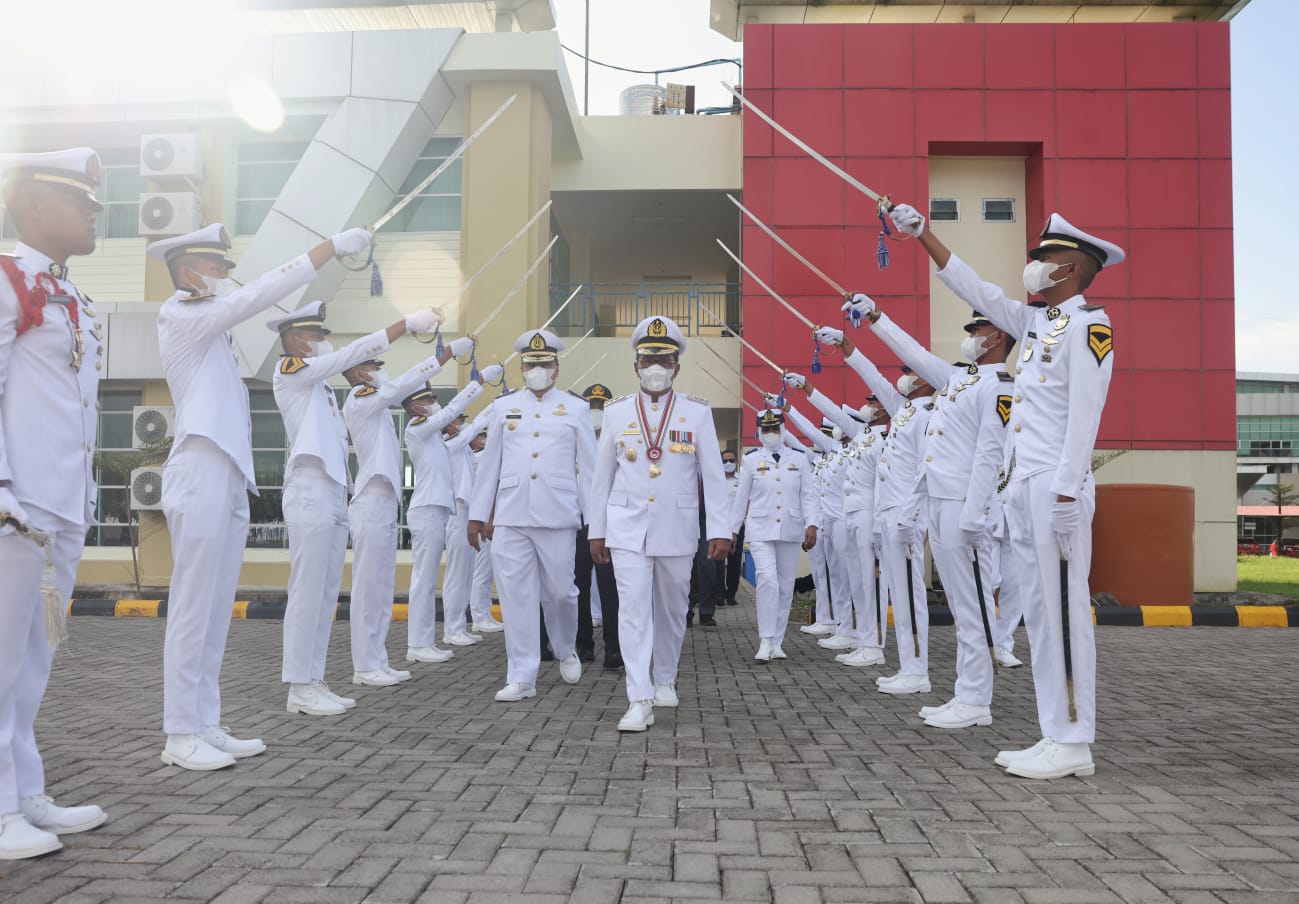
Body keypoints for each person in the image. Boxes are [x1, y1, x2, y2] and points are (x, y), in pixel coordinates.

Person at [891, 202, 1122, 779]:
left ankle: (1074, 740)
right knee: (1039, 616)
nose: (1035, 264)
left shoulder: (1089, 325)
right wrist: (924, 235)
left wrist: (1067, 491)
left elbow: (1086, 414)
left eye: (1047, 256)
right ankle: (1055, 733)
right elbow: (979, 290)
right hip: (1024, 485)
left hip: (1054, 486)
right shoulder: (1039, 323)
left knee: (1064, 613)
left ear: (1071, 269)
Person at [152, 222, 371, 770]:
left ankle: (205, 721)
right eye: (217, 267)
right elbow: (258, 295)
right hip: (200, 467)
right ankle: (180, 732)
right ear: (187, 271)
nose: (226, 276)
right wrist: (327, 249)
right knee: (193, 607)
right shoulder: (182, 315)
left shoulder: (213, 330)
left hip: (226, 473)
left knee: (215, 610)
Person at [825, 301, 1015, 729]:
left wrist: (974, 514)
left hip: (964, 507)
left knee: (975, 606)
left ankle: (976, 697)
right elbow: (910, 351)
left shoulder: (998, 386)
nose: (971, 336)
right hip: (939, 504)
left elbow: (990, 454)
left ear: (998, 335)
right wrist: (875, 321)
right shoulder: (959, 382)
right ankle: (966, 693)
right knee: (963, 608)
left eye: (978, 329)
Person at [0, 148, 108, 858]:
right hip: (18, 503)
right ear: (34, 206)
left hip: (61, 502)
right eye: (81, 204)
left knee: (34, 661)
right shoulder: (7, 281)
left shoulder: (69, 296)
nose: (95, 216)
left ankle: (24, 791)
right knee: (1, 660)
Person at [269, 300, 442, 717]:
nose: (324, 342)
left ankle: (313, 680)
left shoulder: (323, 388)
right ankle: (299, 686)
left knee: (326, 592)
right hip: (309, 489)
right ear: (296, 341)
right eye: (317, 335)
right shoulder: (290, 373)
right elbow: (350, 354)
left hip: (332, 490)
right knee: (307, 592)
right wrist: (405, 324)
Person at [587, 316, 731, 733]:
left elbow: (713, 476)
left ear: (676, 367)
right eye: (648, 359)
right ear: (635, 365)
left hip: (677, 527)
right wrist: (597, 530)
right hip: (627, 527)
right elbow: (602, 479)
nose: (655, 367)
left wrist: (720, 529)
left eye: (664, 360)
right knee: (632, 611)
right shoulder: (616, 412)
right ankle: (639, 697)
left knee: (671, 608)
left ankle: (665, 676)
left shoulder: (696, 413)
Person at [468, 329, 597, 703]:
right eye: (531, 364)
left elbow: (589, 470)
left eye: (544, 363)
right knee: (516, 597)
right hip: (511, 515)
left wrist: (595, 525)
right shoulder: (503, 406)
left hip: (558, 514)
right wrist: (478, 514)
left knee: (561, 592)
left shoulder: (576, 409)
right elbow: (489, 465)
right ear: (522, 368)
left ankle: (566, 647)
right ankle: (521, 675)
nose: (537, 370)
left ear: (556, 367)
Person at [341, 336, 473, 683]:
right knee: (369, 587)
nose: (379, 371)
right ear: (359, 374)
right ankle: (366, 666)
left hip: (385, 501)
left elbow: (398, 391)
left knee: (383, 587)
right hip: (370, 500)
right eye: (372, 366)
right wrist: (443, 357)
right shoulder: (359, 399)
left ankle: (377, 660)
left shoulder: (378, 408)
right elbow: (400, 386)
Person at [404, 366, 501, 653]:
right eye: (427, 400)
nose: (433, 404)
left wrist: (496, 406)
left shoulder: (439, 440)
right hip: (429, 510)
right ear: (415, 407)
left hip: (441, 511)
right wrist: (478, 382)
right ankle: (422, 643)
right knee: (427, 581)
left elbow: (472, 428)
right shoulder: (417, 430)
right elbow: (450, 413)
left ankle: (442, 634)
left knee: (446, 576)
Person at [729, 409, 819, 661]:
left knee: (785, 586)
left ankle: (777, 641)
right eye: (766, 429)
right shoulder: (751, 460)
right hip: (760, 529)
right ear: (759, 431)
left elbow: (808, 495)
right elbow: (741, 498)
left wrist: (812, 524)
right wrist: (732, 531)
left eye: (775, 429)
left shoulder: (799, 459)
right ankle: (765, 639)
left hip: (790, 528)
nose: (771, 433)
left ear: (783, 430)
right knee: (767, 580)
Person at [574, 383, 622, 668]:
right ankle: (584, 645)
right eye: (592, 405)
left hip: (609, 523)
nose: (596, 410)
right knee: (578, 586)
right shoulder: (572, 440)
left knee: (610, 588)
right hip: (578, 523)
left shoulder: (618, 440)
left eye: (601, 406)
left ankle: (614, 647)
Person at [720, 449, 744, 606]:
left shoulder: (742, 480)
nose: (728, 463)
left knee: (734, 562)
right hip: (719, 526)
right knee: (717, 562)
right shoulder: (716, 480)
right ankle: (719, 593)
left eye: (731, 460)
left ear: (736, 462)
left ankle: (731, 594)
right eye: (725, 461)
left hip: (737, 526)